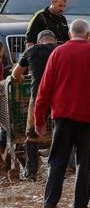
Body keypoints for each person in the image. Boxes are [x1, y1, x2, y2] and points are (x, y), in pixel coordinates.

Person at [34, 19, 90, 208]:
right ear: (87, 36)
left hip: (62, 116)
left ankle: (49, 207)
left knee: (57, 161)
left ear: (69, 35)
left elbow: (44, 88)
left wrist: (38, 117)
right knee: (84, 163)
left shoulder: (58, 53)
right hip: (87, 117)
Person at [11, 30, 57, 180]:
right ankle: (67, 169)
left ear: (38, 41)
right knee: (62, 132)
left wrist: (22, 76)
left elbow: (15, 75)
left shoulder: (31, 50)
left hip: (38, 97)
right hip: (59, 97)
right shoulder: (60, 49)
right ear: (54, 41)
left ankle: (31, 173)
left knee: (32, 135)